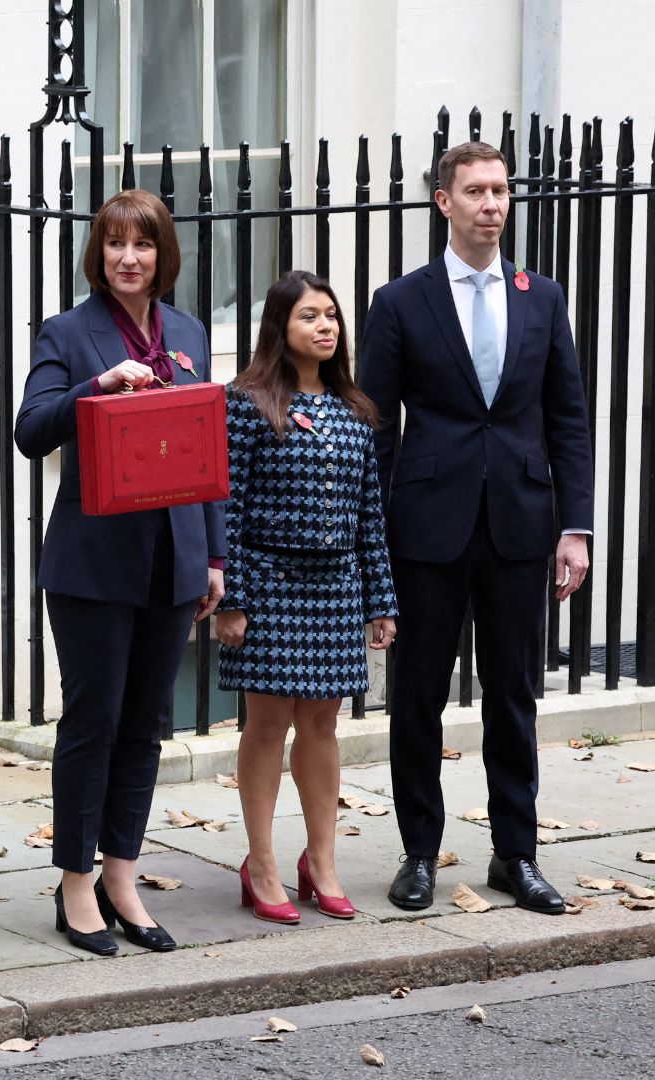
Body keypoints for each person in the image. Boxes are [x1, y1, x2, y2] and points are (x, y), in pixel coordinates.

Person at [358, 141, 593, 915]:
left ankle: (515, 855)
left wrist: (577, 528)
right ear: (443, 202)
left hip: (521, 528)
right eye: (477, 191)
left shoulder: (541, 297)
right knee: (418, 695)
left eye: (501, 191)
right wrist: (374, 538)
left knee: (513, 694)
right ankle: (420, 853)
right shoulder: (400, 302)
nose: (493, 204)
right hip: (427, 528)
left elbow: (568, 419)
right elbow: (374, 430)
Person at [13, 189, 224, 957]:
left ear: (162, 254)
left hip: (174, 560)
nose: (127, 258)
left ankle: (122, 875)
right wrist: (96, 387)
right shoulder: (68, 333)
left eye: (141, 245)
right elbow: (30, 430)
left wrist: (213, 556)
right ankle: (75, 883)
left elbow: (208, 452)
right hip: (93, 564)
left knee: (147, 727)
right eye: (113, 245)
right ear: (98, 255)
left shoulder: (192, 333)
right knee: (93, 723)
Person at [215, 270, 398, 924]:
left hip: (336, 589)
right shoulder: (247, 400)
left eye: (331, 317)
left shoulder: (356, 410)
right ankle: (260, 862)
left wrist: (381, 602)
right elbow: (226, 503)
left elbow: (369, 514)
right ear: (280, 328)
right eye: (309, 317)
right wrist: (230, 597)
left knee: (322, 724)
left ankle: (320, 860)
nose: (325, 327)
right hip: (267, 587)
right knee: (266, 724)